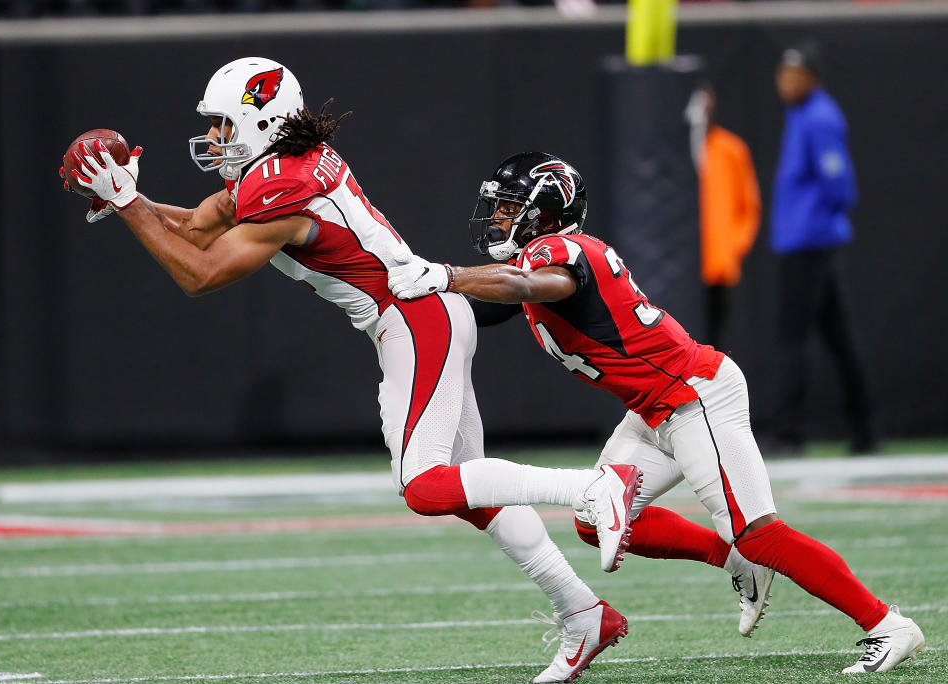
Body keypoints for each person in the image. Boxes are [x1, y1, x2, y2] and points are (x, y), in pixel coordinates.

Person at [61, 57, 642, 683]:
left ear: (261, 120)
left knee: (424, 486)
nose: (217, 139)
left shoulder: (281, 186)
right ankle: (583, 613)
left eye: (225, 125)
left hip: (416, 319)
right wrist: (131, 200)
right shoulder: (279, 168)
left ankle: (591, 489)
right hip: (419, 318)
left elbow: (199, 273)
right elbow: (200, 229)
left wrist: (128, 206)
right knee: (472, 490)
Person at [386, 151, 926, 674]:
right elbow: (481, 306)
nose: (499, 217)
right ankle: (733, 560)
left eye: (509, 206)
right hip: (654, 409)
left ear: (545, 210)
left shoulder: (558, 254)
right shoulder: (538, 262)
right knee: (594, 520)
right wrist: (394, 315)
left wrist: (447, 274)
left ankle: (887, 624)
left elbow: (525, 285)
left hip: (693, 397)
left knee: (759, 532)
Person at [771, 43, 879, 455]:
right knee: (840, 338)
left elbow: (840, 186)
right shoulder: (802, 115)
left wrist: (813, 226)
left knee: (793, 339)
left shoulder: (818, 118)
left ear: (813, 79)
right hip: (807, 242)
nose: (786, 82)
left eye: (795, 75)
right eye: (783, 73)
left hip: (809, 245)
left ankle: (789, 433)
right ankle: (867, 430)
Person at [685, 82, 761, 350]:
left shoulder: (732, 150)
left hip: (717, 268)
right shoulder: (675, 152)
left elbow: (749, 207)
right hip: (683, 271)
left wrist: (731, 248)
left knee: (712, 346)